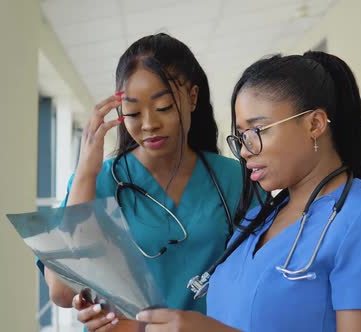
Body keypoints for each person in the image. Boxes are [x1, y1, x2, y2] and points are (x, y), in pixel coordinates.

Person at [136, 51, 361, 332]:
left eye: (257, 130)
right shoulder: (259, 219)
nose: (245, 150)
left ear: (315, 124)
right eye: (241, 136)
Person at [40, 33, 248, 331]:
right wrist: (86, 172)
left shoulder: (234, 178)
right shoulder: (96, 181)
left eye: (163, 107)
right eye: (134, 113)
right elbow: (61, 291)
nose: (149, 124)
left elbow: (260, 277)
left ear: (192, 98)